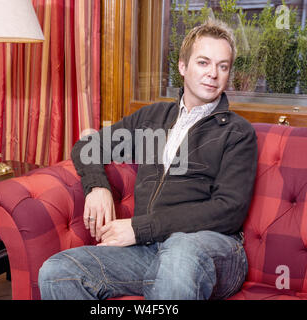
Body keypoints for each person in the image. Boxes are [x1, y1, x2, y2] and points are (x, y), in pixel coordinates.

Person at [38, 18, 258, 300]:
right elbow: (87, 146)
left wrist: (138, 228)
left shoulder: (237, 132)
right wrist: (97, 186)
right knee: (58, 271)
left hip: (214, 249)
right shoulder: (152, 117)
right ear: (182, 67)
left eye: (222, 66)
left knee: (181, 250)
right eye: (203, 62)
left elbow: (228, 211)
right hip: (149, 250)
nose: (213, 73)